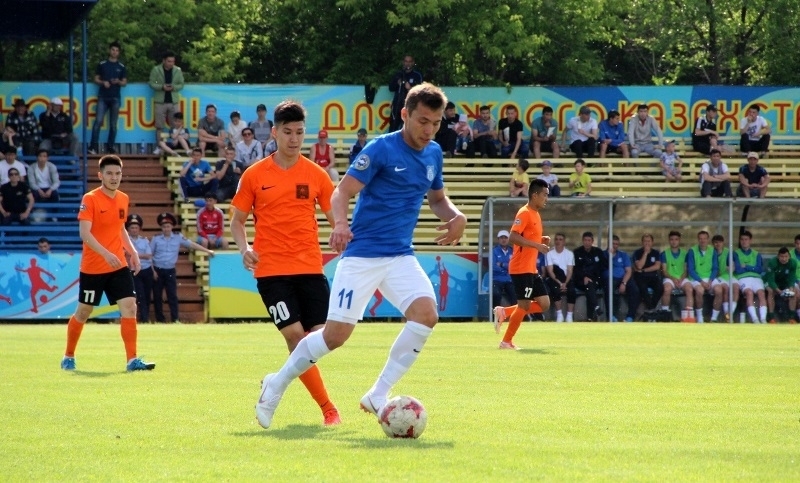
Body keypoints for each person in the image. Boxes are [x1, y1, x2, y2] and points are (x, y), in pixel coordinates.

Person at [254, 83, 467, 430]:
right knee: (334, 337)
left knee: (426, 315)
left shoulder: (433, 154)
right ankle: (275, 384)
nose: (429, 130)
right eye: (423, 121)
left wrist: (456, 216)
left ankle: (378, 394)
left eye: (436, 123)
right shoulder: (381, 149)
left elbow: (438, 199)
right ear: (405, 114)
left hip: (400, 255)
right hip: (363, 255)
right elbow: (341, 192)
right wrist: (340, 224)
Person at [231, 99, 342, 426]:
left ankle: (274, 381)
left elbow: (336, 218)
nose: (294, 139)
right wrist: (244, 248)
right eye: (288, 132)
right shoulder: (254, 175)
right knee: (295, 336)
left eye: (299, 132)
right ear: (275, 132)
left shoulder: (316, 174)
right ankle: (328, 409)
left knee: (322, 338)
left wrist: (344, 234)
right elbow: (237, 221)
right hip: (271, 271)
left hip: (310, 267)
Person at [60, 155, 154, 372]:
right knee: (84, 312)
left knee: (130, 307)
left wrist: (132, 252)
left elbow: (120, 229)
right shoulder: (90, 198)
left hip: (118, 265)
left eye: (118, 173)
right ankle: (68, 356)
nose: (114, 177)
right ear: (100, 175)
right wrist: (105, 254)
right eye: (109, 173)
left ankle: (132, 360)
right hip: (93, 267)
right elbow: (84, 234)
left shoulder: (123, 198)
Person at [492, 179, 550, 346]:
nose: (547, 198)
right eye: (545, 195)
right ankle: (506, 342)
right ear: (535, 195)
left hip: (530, 268)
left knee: (545, 304)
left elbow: (527, 237)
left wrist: (540, 239)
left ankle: (504, 312)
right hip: (521, 268)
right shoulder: (524, 212)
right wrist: (537, 245)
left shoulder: (536, 214)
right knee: (524, 306)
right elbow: (513, 237)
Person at [150, 212, 214, 323]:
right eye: (164, 227)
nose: (166, 229)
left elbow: (192, 244)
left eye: (168, 226)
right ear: (161, 228)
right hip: (157, 269)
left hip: (170, 270)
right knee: (157, 295)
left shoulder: (178, 237)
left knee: (172, 295)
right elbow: (149, 255)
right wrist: (153, 271)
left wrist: (207, 251)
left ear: (172, 227)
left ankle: (175, 319)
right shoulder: (156, 239)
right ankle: (160, 319)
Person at [89, 42, 127, 155]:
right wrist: (103, 82)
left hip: (115, 97)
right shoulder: (102, 64)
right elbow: (96, 79)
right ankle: (93, 147)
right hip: (103, 97)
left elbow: (124, 82)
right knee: (98, 121)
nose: (114, 52)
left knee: (113, 124)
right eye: (113, 50)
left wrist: (118, 82)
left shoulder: (121, 66)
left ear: (119, 53)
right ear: (109, 50)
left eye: (117, 50)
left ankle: (110, 147)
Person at [149, 51, 185, 152]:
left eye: (173, 61)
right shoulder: (156, 70)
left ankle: (175, 146)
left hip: (174, 102)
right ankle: (159, 146)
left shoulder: (178, 70)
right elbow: (151, 83)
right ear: (164, 61)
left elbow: (181, 84)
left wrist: (173, 87)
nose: (171, 63)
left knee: (176, 125)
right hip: (160, 102)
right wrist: (162, 87)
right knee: (159, 126)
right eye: (169, 61)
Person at [660, 230, 695, 322]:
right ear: (669, 240)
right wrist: (673, 279)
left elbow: (686, 270)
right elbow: (664, 271)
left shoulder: (685, 253)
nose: (674, 241)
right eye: (672, 239)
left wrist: (681, 279)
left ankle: (688, 315)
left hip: (682, 278)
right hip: (670, 278)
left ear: (679, 240)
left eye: (676, 239)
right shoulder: (664, 254)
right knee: (667, 289)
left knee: (689, 289)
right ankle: (664, 313)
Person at [604, 235, 640, 322]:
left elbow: (628, 271)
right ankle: (611, 316)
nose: (615, 246)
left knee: (635, 290)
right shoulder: (603, 254)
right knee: (609, 288)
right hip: (609, 279)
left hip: (623, 278)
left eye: (616, 244)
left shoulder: (623, 255)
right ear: (608, 244)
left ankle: (630, 317)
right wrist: (610, 255)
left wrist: (624, 283)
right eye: (613, 243)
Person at [125, 214, 154, 323]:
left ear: (139, 229)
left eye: (136, 227)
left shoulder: (144, 240)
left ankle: (145, 316)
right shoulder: (125, 240)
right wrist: (138, 255)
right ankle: (143, 318)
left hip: (146, 269)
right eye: (132, 227)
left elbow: (149, 255)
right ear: (128, 229)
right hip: (133, 270)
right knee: (139, 294)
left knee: (147, 294)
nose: (134, 230)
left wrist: (133, 254)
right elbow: (124, 254)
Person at [733, 230, 766, 323]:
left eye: (746, 239)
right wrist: (753, 268)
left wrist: (747, 266)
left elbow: (759, 270)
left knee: (761, 294)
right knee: (749, 293)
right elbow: (738, 270)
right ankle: (755, 318)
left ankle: (763, 319)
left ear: (750, 240)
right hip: (743, 278)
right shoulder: (736, 253)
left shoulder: (756, 254)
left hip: (756, 278)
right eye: (742, 239)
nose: (744, 241)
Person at [686, 230, 718, 323]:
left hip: (709, 278)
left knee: (719, 290)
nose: (702, 240)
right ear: (698, 240)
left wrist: (710, 280)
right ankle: (700, 316)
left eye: (704, 238)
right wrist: (701, 281)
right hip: (696, 278)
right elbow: (691, 270)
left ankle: (714, 318)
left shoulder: (713, 250)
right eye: (700, 239)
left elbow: (715, 268)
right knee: (699, 290)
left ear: (708, 240)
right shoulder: (692, 251)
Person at [573, 231, 606, 321]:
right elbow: (575, 269)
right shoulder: (577, 252)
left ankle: (590, 317)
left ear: (592, 241)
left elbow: (602, 266)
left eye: (589, 240)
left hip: (595, 280)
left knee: (589, 287)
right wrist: (583, 277)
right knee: (589, 286)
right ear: (582, 241)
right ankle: (594, 309)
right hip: (580, 281)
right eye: (585, 240)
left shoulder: (598, 252)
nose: (587, 242)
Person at [545, 232, 575, 322]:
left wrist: (565, 283)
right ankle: (559, 314)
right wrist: (560, 283)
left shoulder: (569, 254)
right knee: (554, 289)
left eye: (560, 239)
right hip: (555, 278)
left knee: (572, 290)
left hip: (566, 278)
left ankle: (569, 315)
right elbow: (550, 271)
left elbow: (570, 270)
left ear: (564, 241)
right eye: (556, 239)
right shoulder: (549, 254)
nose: (558, 241)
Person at [388, 55, 423, 132]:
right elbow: (391, 88)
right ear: (403, 62)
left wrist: (410, 88)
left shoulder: (417, 75)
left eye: (410, 61)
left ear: (413, 63)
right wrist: (397, 83)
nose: (408, 63)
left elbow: (420, 92)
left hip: (410, 105)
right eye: (406, 61)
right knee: (393, 127)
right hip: (397, 105)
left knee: (408, 128)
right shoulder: (398, 74)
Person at [763, 247, 799, 323]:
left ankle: (792, 317)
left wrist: (791, 288)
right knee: (771, 291)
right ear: (778, 256)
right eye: (782, 257)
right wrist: (780, 292)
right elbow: (771, 280)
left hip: (784, 282)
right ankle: (771, 317)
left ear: (789, 256)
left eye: (786, 256)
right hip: (769, 281)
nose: (784, 259)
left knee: (793, 292)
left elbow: (792, 277)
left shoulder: (793, 263)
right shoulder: (772, 263)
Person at [710, 234, 739, 322]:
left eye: (719, 242)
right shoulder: (711, 253)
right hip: (719, 277)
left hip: (728, 275)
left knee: (736, 287)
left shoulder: (728, 252)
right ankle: (726, 312)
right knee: (725, 288)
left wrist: (732, 268)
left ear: (723, 243)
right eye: (715, 242)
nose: (718, 244)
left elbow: (734, 266)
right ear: (713, 244)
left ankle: (731, 312)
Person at [632, 233, 663, 311]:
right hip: (640, 276)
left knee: (660, 288)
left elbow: (657, 266)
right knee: (643, 288)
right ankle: (651, 309)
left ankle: (650, 308)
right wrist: (645, 253)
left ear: (652, 242)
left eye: (649, 241)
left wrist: (644, 270)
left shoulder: (656, 253)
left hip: (652, 276)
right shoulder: (637, 252)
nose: (647, 243)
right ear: (642, 242)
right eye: (645, 241)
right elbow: (639, 266)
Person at [491, 230, 516, 309]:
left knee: (515, 295)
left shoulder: (513, 251)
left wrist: (502, 264)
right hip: (497, 279)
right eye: (501, 238)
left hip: (510, 279)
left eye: (505, 237)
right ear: (498, 239)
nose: (503, 239)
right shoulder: (494, 251)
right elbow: (493, 267)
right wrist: (507, 268)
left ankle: (514, 315)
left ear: (508, 239)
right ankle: (495, 314)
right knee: (496, 294)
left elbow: (515, 265)